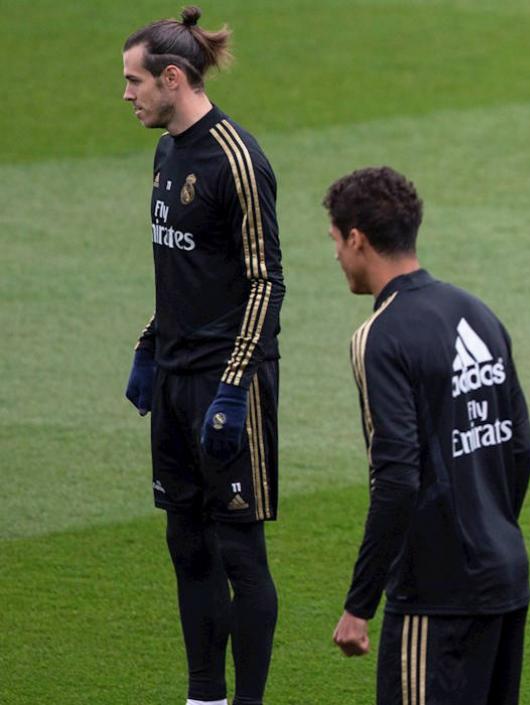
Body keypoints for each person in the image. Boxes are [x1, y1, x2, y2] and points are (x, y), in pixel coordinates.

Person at [325, 167, 530, 705]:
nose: (336, 257)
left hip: (438, 596)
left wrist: (359, 604)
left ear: (357, 238)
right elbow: (519, 447)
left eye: (334, 241)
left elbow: (396, 476)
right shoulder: (476, 312)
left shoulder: (380, 336)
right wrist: (489, 524)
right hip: (505, 575)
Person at [122, 7, 283, 705]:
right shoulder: (167, 153)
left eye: (135, 82)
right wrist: (151, 344)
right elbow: (185, 271)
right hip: (177, 380)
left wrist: (232, 385)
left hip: (229, 385)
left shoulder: (239, 161)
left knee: (240, 551)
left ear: (174, 77)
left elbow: (264, 279)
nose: (127, 95)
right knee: (186, 542)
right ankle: (204, 697)